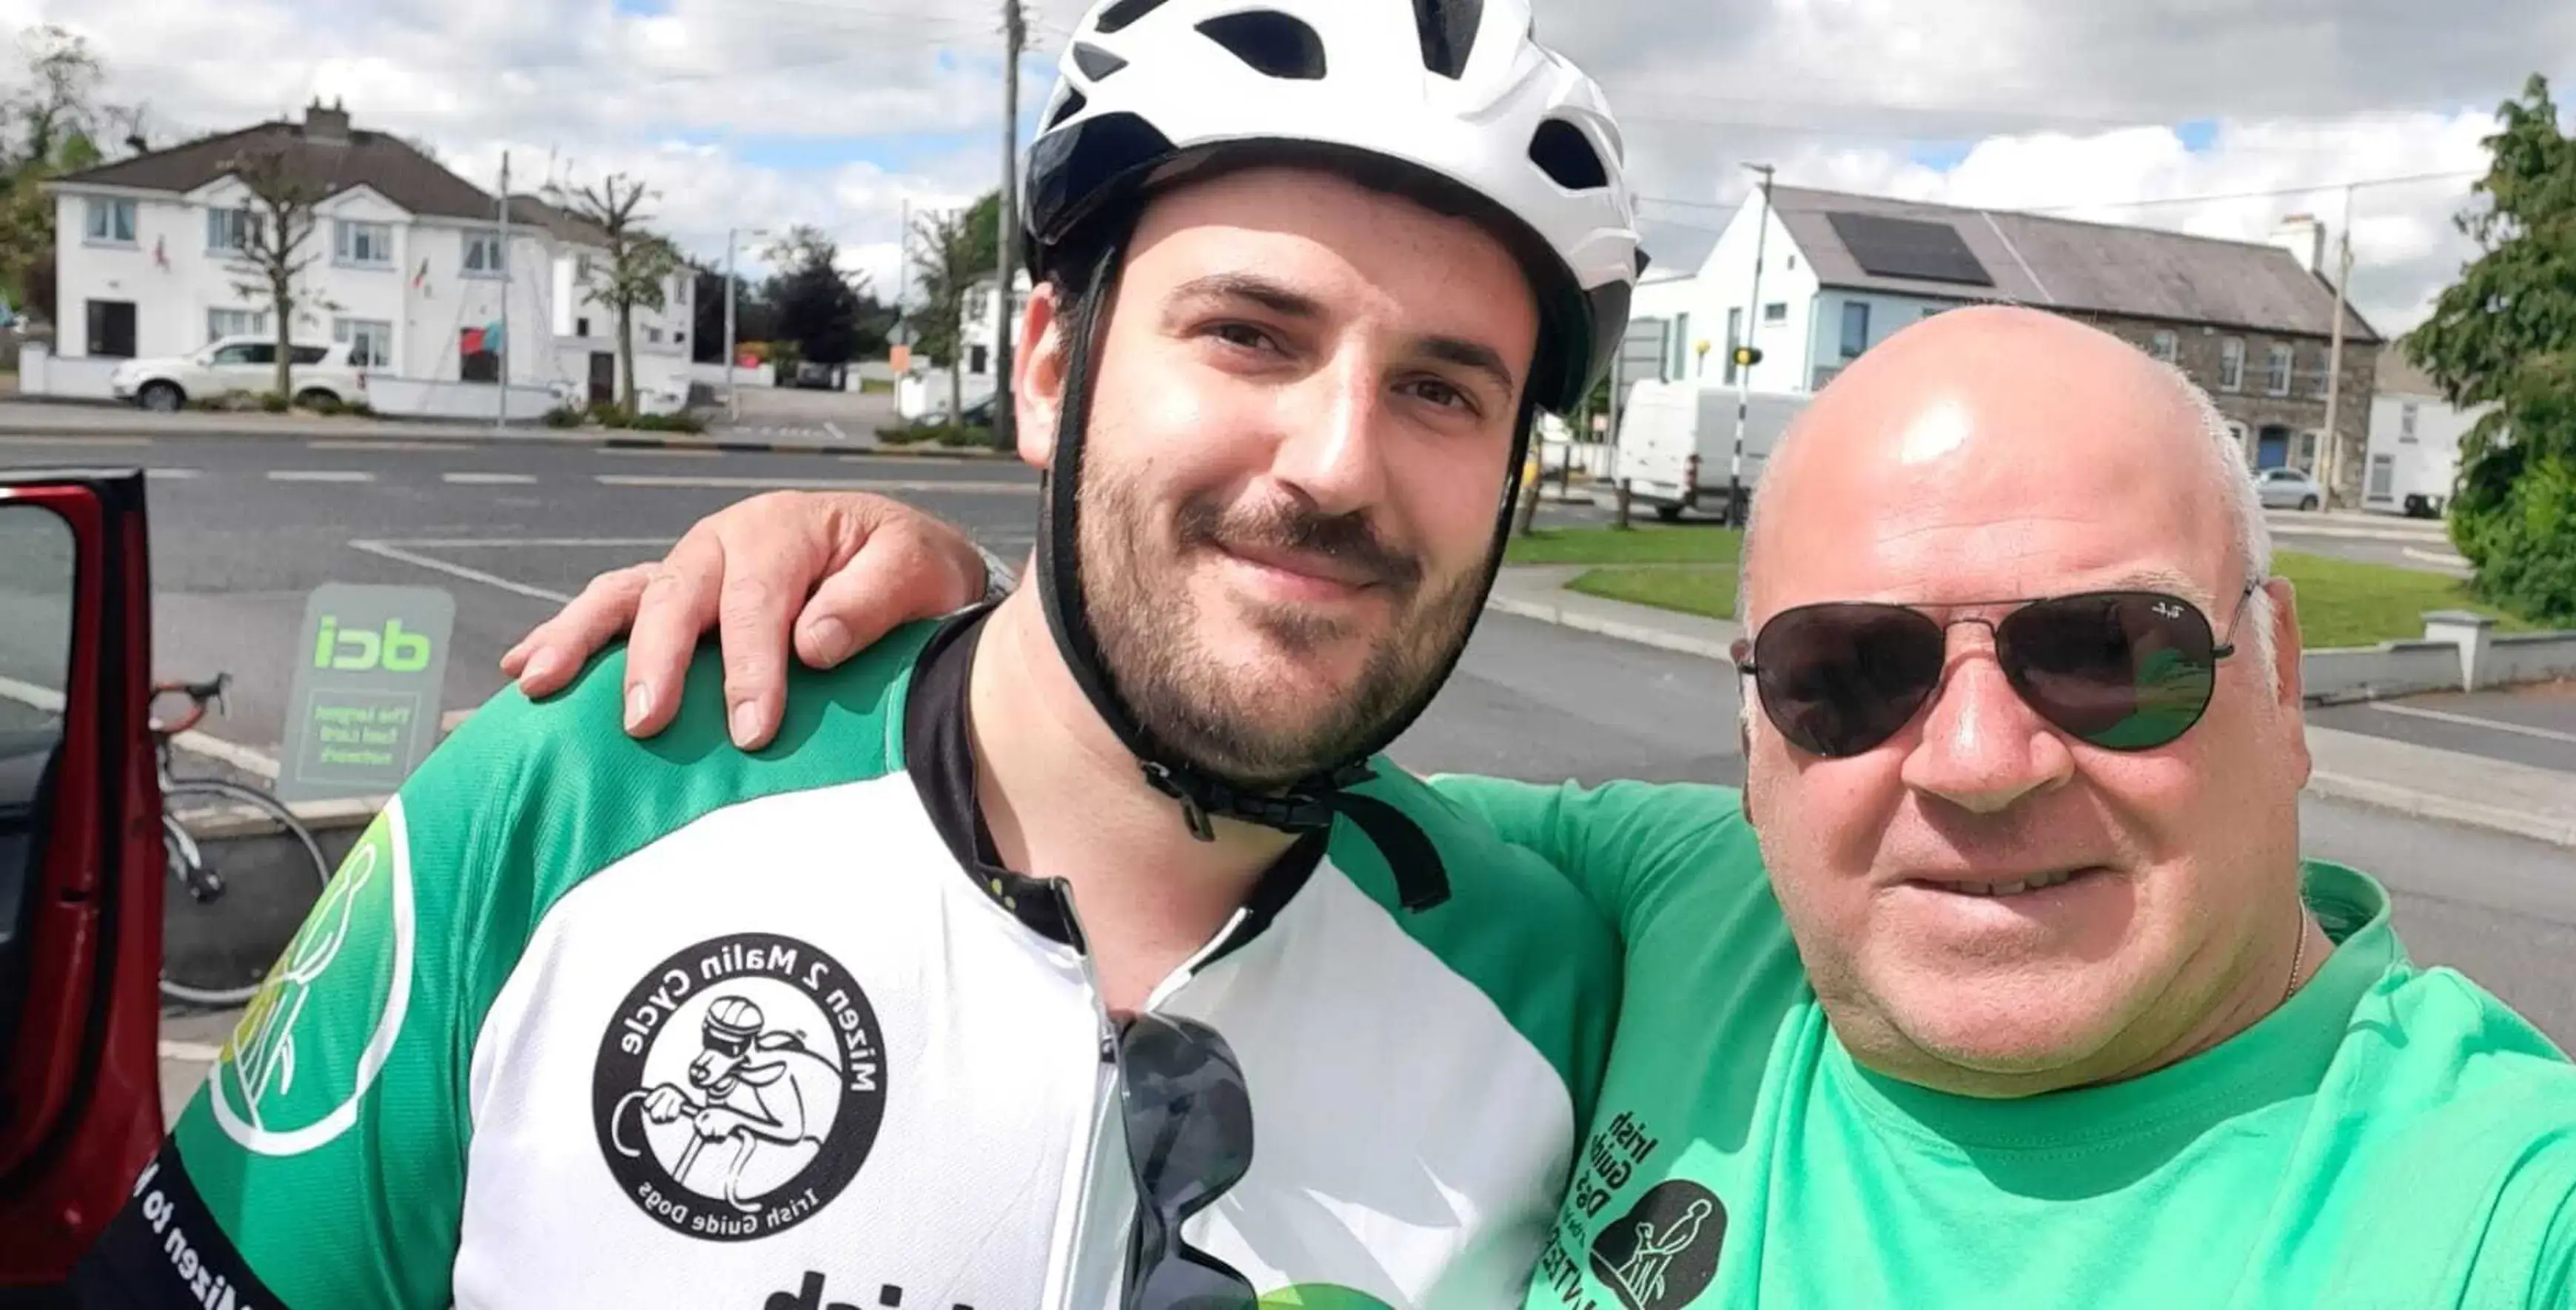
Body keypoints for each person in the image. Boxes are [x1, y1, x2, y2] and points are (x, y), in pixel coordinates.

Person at [520, 305, 2576, 1306]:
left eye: (2105, 652)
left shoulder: (2520, 1216)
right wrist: (933, 617)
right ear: (1749, 735)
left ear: (2286, 683)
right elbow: (1195, 742)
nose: (1975, 757)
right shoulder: (1676, 907)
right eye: (1847, 675)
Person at [74, 1, 1649, 1306]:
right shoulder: (576, 800)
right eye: (1250, 333)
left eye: (1444, 391)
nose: (1335, 465)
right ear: (1051, 365)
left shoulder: (1556, 988)